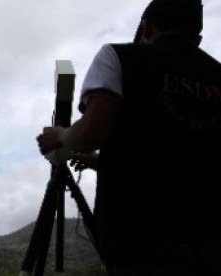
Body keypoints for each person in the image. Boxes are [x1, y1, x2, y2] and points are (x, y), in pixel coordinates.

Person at [36, 0, 221, 275]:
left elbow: (90, 133)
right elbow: (176, 157)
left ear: (147, 27)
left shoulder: (118, 57)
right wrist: (97, 161)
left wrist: (62, 135)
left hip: (138, 240)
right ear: (198, 38)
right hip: (209, 243)